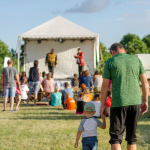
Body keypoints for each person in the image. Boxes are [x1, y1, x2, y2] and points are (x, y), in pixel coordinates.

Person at [101, 43, 149, 150]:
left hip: (118, 102)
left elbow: (105, 86)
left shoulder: (110, 62)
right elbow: (145, 82)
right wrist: (145, 101)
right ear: (124, 50)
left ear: (112, 52)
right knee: (132, 138)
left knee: (115, 138)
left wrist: (102, 105)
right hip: (135, 102)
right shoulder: (137, 60)